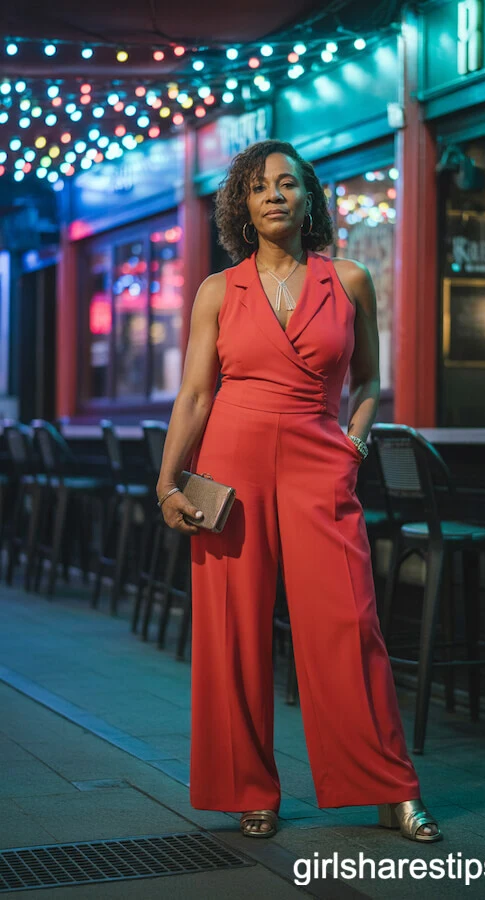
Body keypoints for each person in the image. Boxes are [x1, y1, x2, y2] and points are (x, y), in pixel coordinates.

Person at [156, 140, 442, 843]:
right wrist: (167, 482)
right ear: (243, 208)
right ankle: (250, 789)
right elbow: (195, 394)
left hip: (321, 459)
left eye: (288, 184)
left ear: (311, 197)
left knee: (349, 625)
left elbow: (371, 380)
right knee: (234, 631)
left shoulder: (348, 279)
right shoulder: (219, 290)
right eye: (259, 187)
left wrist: (358, 438)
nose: (275, 195)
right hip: (230, 462)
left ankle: (387, 787)